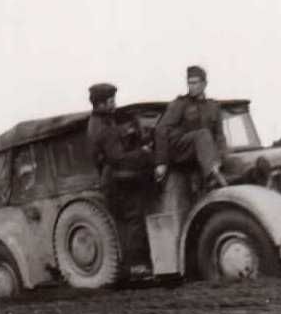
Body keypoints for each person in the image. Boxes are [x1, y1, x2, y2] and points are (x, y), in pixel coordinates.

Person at [85, 82, 153, 271]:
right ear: (100, 104)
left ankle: (134, 265)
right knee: (134, 219)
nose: (114, 104)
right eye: (111, 101)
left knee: (130, 220)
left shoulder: (103, 121)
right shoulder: (103, 127)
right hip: (117, 180)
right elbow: (118, 158)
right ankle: (136, 265)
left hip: (115, 178)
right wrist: (143, 152)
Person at [153, 65, 229, 189]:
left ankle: (214, 174)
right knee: (203, 134)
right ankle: (212, 176)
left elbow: (219, 135)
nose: (191, 87)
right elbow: (161, 129)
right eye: (189, 83)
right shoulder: (180, 104)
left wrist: (222, 158)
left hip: (204, 154)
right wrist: (161, 162)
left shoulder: (213, 106)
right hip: (181, 150)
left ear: (204, 84)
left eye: (195, 83)